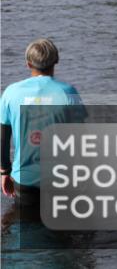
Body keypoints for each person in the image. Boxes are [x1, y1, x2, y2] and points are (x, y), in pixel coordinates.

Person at [1, 39, 86, 204]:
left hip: (23, 179)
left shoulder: (11, 92)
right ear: (56, 61)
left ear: (28, 64)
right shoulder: (68, 92)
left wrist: (4, 172)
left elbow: (2, 138)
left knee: (23, 223)